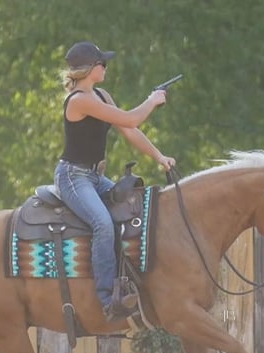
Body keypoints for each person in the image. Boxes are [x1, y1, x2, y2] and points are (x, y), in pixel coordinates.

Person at [55, 41, 175, 322]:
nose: (106, 67)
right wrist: (152, 100)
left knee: (136, 209)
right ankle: (109, 300)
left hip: (95, 176)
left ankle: (134, 283)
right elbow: (131, 119)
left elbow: (129, 130)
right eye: (103, 63)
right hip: (73, 177)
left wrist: (159, 156)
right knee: (103, 224)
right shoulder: (79, 100)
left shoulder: (101, 95)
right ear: (90, 68)